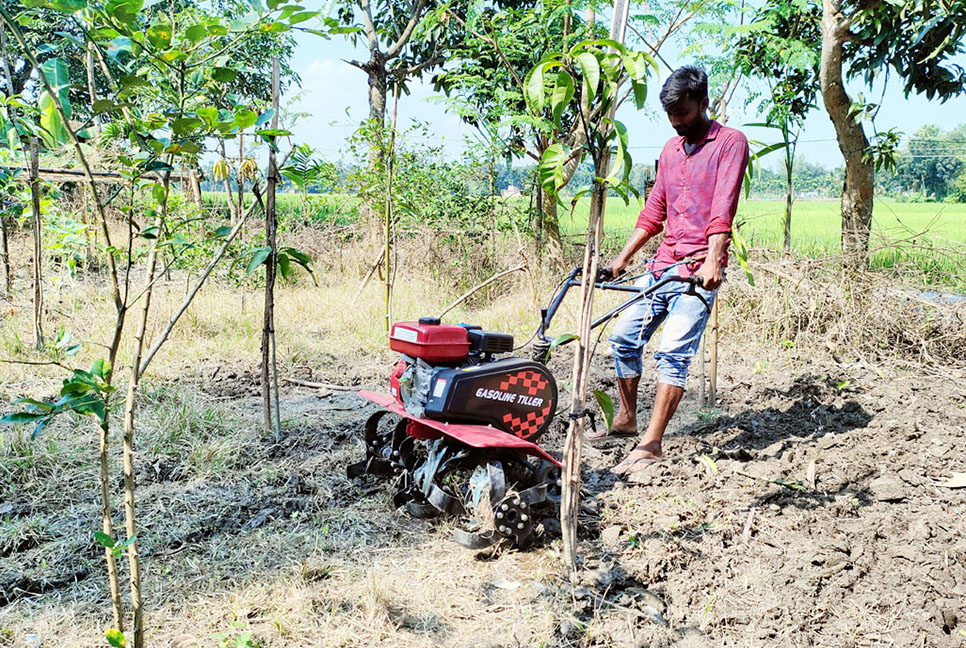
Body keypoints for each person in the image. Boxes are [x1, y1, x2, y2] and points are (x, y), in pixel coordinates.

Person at [587, 66, 749, 475]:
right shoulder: (670, 151)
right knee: (623, 339)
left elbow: (721, 208)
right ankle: (626, 419)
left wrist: (714, 259)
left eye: (684, 112)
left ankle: (652, 443)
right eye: (671, 113)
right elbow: (654, 211)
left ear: (703, 102)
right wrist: (620, 260)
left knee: (672, 354)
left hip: (697, 270)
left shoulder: (729, 143)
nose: (677, 121)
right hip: (662, 266)